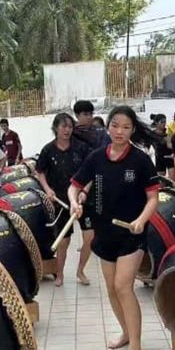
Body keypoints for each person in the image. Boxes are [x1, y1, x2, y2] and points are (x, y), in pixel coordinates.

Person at [68, 106, 160, 350]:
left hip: (131, 234)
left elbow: (153, 197)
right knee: (110, 289)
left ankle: (136, 349)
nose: (120, 131)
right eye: (115, 125)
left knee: (123, 287)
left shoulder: (140, 160)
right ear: (108, 127)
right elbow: (75, 185)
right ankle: (126, 332)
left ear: (132, 130)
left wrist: (142, 219)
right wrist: (75, 201)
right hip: (104, 232)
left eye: (126, 127)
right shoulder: (96, 158)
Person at [35, 113, 88, 286]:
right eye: (63, 126)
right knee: (63, 241)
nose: (67, 130)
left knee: (90, 237)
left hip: (82, 199)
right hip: (60, 200)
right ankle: (60, 274)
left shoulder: (81, 148)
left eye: (70, 126)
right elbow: (40, 172)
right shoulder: (48, 150)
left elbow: (91, 172)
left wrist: (85, 191)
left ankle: (80, 271)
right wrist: (47, 189)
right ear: (56, 128)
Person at [71, 100, 110, 285]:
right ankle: (75, 271)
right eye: (84, 114)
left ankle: (84, 269)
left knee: (99, 230)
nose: (88, 117)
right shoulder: (71, 136)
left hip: (98, 188)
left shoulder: (100, 136)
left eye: (90, 113)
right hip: (76, 190)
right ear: (77, 115)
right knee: (86, 236)